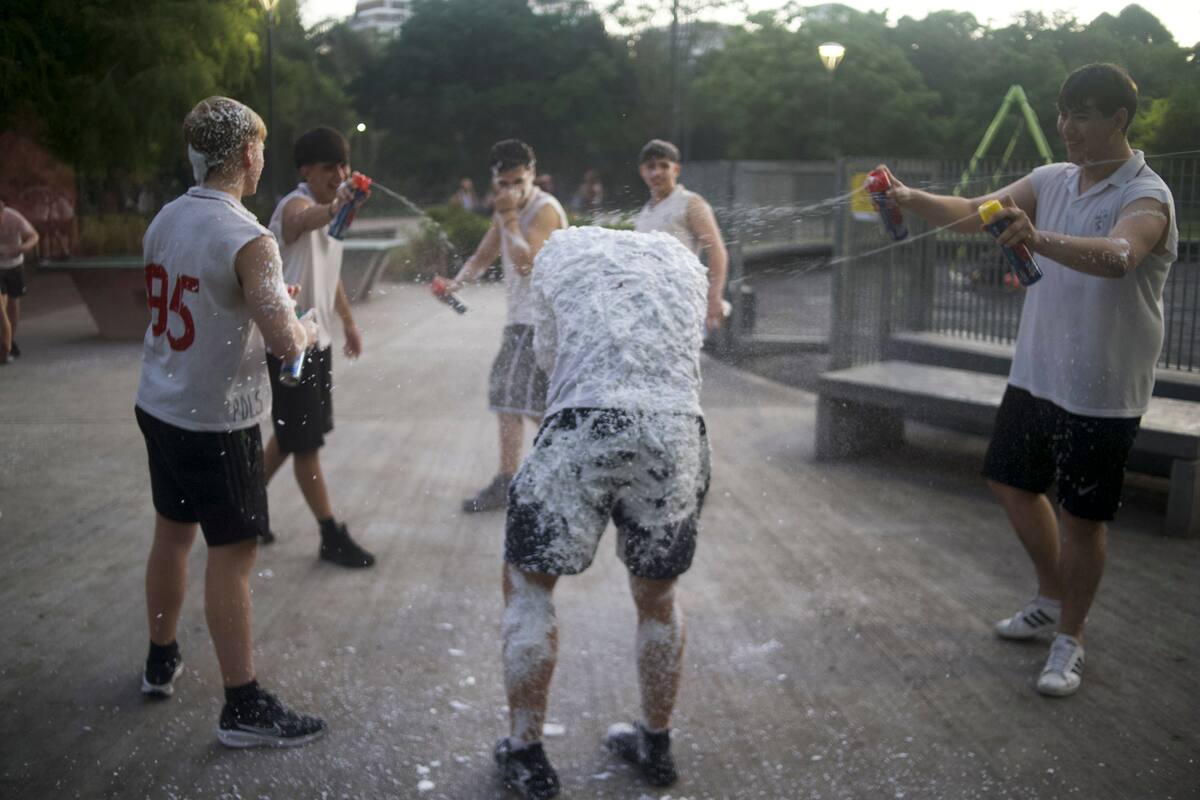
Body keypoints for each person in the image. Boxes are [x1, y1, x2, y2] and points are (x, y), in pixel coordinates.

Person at [874, 63, 1177, 697]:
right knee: (1011, 482)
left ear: (1118, 119)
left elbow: (1122, 256)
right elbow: (973, 213)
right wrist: (910, 197)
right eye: (1062, 114)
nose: (1066, 127)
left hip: (1102, 388)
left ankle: (1072, 636)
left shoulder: (1146, 194)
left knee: (1082, 518)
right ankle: (1050, 595)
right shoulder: (1050, 178)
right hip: (1038, 372)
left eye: (1081, 116)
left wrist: (1036, 237)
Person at [493, 226, 711, 799]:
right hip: (675, 429)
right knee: (659, 594)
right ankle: (656, 744)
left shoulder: (559, 255)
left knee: (529, 585)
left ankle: (527, 754)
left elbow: (546, 357)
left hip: (584, 421)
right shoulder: (679, 261)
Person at [135, 96, 326, 747]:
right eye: (261, 148)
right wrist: (303, 325)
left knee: (172, 534)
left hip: (160, 403)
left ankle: (160, 659)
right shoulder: (249, 236)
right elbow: (286, 343)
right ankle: (243, 704)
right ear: (248, 152)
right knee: (234, 550)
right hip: (215, 420)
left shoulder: (166, 218)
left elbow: (202, 298)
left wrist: (263, 301)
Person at [260, 126, 375, 568]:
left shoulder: (332, 215)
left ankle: (245, 508)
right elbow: (300, 221)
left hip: (316, 341)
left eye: (343, 167)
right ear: (306, 170)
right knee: (304, 443)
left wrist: (348, 323)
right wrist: (335, 205)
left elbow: (329, 272)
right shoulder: (295, 204)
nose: (339, 175)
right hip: (291, 346)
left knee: (292, 436)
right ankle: (330, 534)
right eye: (330, 167)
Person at [445, 140, 568, 513]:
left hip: (541, 322)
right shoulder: (506, 210)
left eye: (518, 182)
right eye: (503, 184)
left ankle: (519, 477)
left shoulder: (544, 209)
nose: (511, 190)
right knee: (524, 402)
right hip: (522, 321)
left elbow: (526, 263)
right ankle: (559, 470)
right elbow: (484, 256)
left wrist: (510, 216)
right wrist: (455, 284)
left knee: (510, 396)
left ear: (532, 174)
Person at [634, 139, 730, 332]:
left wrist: (714, 297)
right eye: (651, 166)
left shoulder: (690, 202)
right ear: (642, 171)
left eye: (664, 165)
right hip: (649, 305)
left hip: (681, 301)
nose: (657, 172)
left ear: (676, 169)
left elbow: (716, 250)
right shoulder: (644, 213)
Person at [0, 195, 40, 359]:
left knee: (13, 304)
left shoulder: (14, 217)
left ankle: (11, 340)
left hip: (14, 264)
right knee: (1, 306)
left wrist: (23, 248)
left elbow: (34, 236)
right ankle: (5, 342)